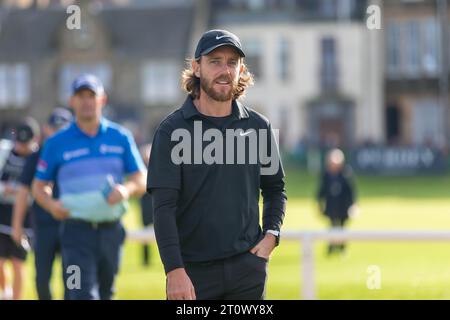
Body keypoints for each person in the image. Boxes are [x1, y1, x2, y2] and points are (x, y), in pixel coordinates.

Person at [147, 29, 287, 300]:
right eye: (215, 61)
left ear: (241, 69)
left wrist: (271, 235)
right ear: (197, 67)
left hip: (248, 270)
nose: (225, 70)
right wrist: (174, 270)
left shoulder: (259, 127)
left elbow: (275, 189)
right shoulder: (171, 131)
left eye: (232, 62)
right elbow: (163, 208)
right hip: (192, 275)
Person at [32, 74, 146, 300]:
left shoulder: (120, 137)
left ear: (102, 100)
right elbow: (39, 186)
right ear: (72, 101)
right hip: (75, 234)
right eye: (80, 96)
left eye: (91, 96)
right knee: (78, 293)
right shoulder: (56, 143)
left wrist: (126, 190)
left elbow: (141, 178)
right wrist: (50, 204)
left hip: (111, 233)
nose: (86, 101)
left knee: (106, 294)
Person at [11, 108, 73, 300]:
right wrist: (17, 225)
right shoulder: (37, 156)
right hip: (44, 226)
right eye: (56, 129)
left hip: (72, 226)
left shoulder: (76, 154)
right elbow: (23, 191)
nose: (59, 133)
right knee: (42, 279)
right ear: (47, 129)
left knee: (73, 279)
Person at [0, 117, 40, 300]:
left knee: (18, 263)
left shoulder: (37, 158)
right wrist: (5, 189)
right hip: (2, 214)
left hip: (25, 218)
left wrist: (19, 191)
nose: (22, 147)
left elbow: (37, 189)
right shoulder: (4, 152)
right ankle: (4, 292)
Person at [317, 148, 356, 256]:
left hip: (343, 206)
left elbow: (351, 191)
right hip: (331, 205)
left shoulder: (345, 174)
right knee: (332, 226)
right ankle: (331, 247)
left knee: (342, 227)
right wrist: (319, 203)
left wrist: (352, 205)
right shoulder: (327, 175)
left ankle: (342, 247)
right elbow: (322, 190)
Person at [139, 143, 153, 266]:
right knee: (144, 234)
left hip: (155, 203)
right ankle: (146, 260)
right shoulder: (142, 170)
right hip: (145, 204)